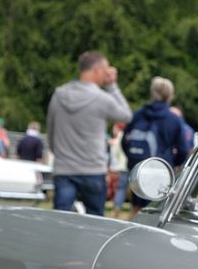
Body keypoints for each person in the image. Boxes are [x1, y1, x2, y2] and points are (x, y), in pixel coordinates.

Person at [47, 51, 133, 215]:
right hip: (93, 170)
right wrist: (111, 86)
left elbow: (51, 134)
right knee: (96, 222)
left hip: (64, 170)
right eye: (105, 70)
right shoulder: (102, 98)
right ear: (97, 70)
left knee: (59, 219)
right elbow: (126, 116)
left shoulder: (58, 96)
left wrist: (61, 155)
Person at [122, 76, 190, 217]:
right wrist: (173, 163)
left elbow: (125, 141)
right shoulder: (174, 120)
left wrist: (132, 160)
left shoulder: (137, 115)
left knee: (136, 208)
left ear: (152, 93)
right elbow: (183, 149)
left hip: (139, 169)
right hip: (161, 170)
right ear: (170, 95)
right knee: (156, 211)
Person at [108, 123, 129, 217]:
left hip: (123, 166)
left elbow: (116, 152)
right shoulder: (129, 135)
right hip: (132, 165)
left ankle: (116, 209)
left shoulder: (119, 138)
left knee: (121, 189)